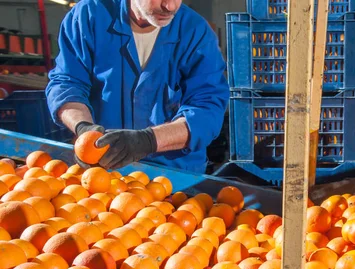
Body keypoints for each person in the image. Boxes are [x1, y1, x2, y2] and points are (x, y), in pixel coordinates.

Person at [46, 0, 229, 173]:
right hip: (102, 167)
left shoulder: (195, 31)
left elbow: (207, 108)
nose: (170, 6)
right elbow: (67, 83)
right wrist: (83, 127)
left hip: (174, 174)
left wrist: (148, 140)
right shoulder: (90, 16)